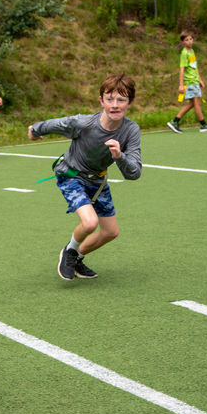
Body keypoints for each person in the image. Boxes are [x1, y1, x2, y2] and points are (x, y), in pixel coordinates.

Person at [28, 73, 142, 281]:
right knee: (89, 223)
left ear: (130, 102)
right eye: (109, 99)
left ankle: (77, 258)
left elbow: (134, 173)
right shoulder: (84, 124)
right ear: (101, 101)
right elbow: (58, 124)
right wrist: (35, 129)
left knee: (110, 232)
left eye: (121, 100)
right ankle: (69, 252)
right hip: (71, 176)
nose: (115, 105)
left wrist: (119, 156)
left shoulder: (131, 130)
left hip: (97, 181)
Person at [166, 30, 207, 134]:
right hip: (190, 82)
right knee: (196, 103)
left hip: (194, 80)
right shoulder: (184, 53)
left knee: (192, 104)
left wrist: (200, 79)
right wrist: (181, 85)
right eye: (186, 40)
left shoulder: (192, 51)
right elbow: (182, 69)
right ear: (182, 42)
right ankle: (203, 124)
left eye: (190, 39)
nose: (189, 41)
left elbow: (194, 67)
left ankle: (175, 121)